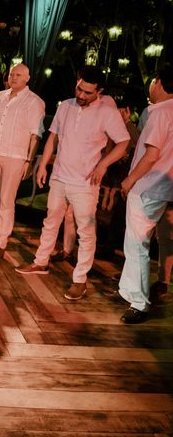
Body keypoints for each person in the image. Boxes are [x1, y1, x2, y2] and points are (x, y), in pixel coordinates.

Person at [15, 66, 130, 300]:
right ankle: (40, 262)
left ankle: (80, 280)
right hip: (59, 176)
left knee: (86, 232)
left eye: (88, 93)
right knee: (51, 221)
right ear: (77, 83)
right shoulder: (66, 105)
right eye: (80, 89)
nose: (81, 96)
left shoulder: (107, 113)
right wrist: (44, 164)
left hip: (85, 182)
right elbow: (54, 136)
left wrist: (102, 165)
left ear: (100, 91)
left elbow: (123, 143)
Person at [117, 67, 173, 323]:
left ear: (159, 83)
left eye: (153, 81)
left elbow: (151, 155)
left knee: (137, 244)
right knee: (148, 242)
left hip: (148, 186)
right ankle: (134, 290)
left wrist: (129, 180)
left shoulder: (159, 113)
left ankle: (139, 302)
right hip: (165, 187)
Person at [0, 63, 45, 257]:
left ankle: (1, 242)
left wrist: (29, 160)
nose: (14, 77)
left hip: (16, 156)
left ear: (27, 78)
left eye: (18, 75)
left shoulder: (34, 101)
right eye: (11, 74)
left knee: (7, 199)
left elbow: (36, 133)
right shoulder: (0, 97)